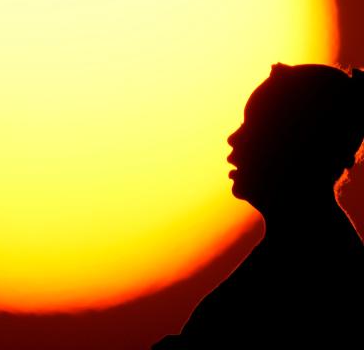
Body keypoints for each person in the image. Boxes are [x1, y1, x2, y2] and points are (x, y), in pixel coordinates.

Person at [153, 63, 364, 348]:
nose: (234, 139)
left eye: (255, 126)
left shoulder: (309, 267)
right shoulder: (305, 250)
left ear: (297, 144)